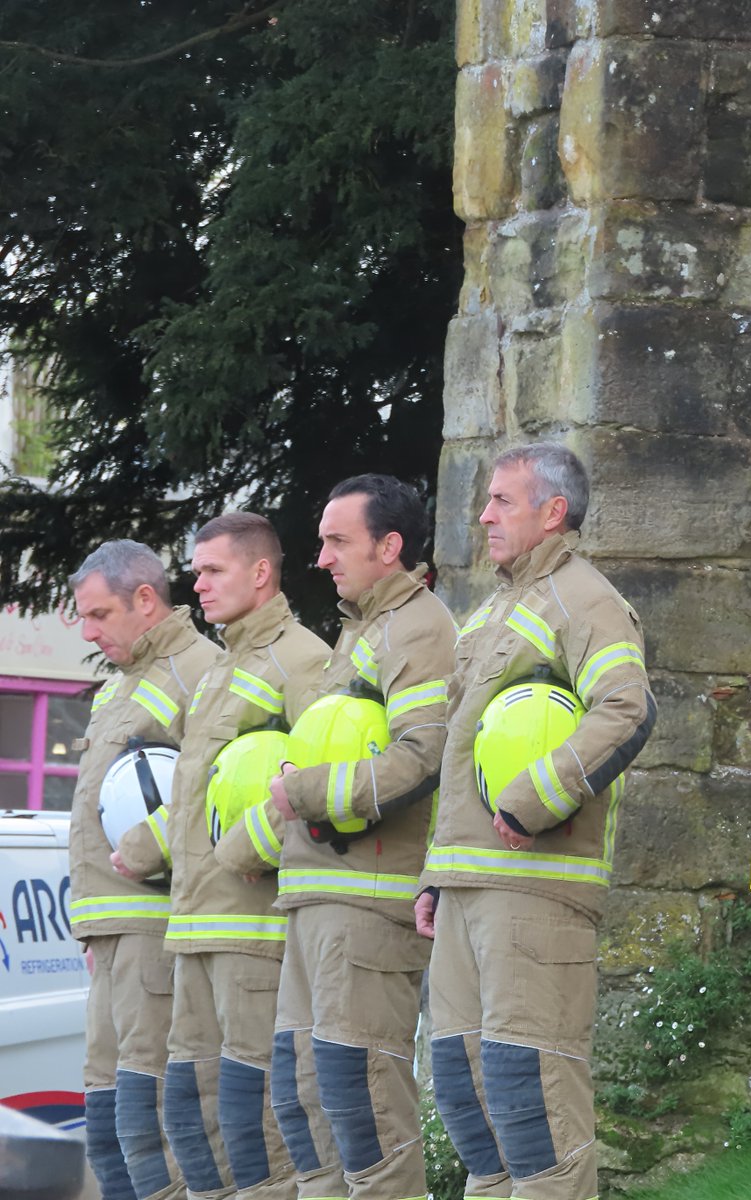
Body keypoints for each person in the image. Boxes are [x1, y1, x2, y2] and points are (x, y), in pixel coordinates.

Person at [416, 441, 657, 1200]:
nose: (483, 514)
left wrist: (535, 798)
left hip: (536, 887)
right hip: (466, 887)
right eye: (485, 500)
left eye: (502, 501)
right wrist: (435, 872)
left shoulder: (586, 600)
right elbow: (460, 758)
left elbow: (627, 708)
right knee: (466, 1098)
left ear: (554, 512)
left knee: (531, 1106)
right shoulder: (493, 610)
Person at [114, 513, 329, 1200]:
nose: (196, 585)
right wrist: (142, 847)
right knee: (189, 1115)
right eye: (196, 571)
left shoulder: (304, 659)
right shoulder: (219, 671)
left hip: (255, 931)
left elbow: (316, 779)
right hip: (196, 924)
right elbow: (198, 790)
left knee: (252, 1122)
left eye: (212, 571)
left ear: (260, 572)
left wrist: (243, 852)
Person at [257, 474, 456, 1198]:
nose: (321, 558)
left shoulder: (419, 627)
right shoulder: (364, 628)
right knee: (305, 1103)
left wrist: (302, 790)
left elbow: (420, 754)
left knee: (361, 1105)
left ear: (390, 545)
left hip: (367, 903)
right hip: (317, 896)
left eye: (338, 540)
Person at [68, 540, 218, 1200]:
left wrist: (152, 845)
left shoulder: (203, 671)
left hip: (158, 932)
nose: (89, 631)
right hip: (111, 933)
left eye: (99, 614)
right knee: (104, 1129)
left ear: (146, 600)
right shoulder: (121, 686)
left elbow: (218, 791)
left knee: (148, 1125)